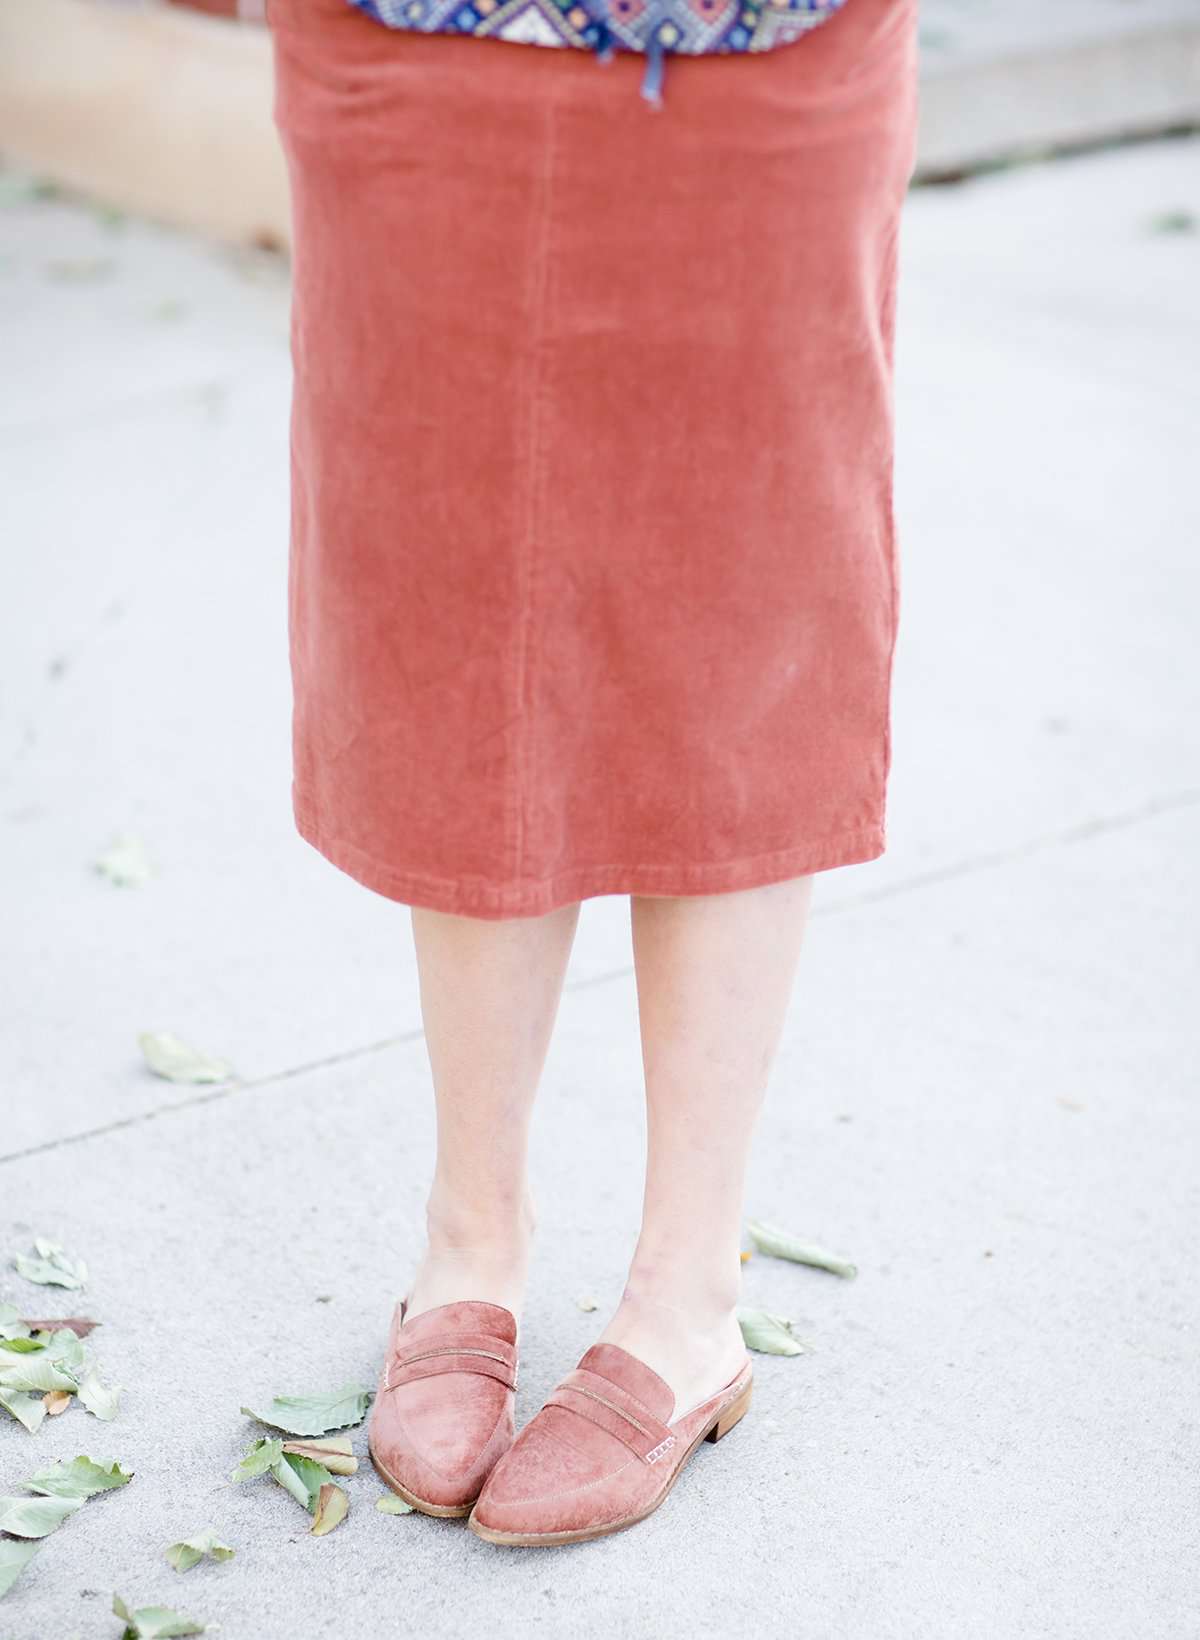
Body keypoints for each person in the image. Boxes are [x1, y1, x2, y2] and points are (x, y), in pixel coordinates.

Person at [266, 0, 919, 1545]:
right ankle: (469, 1241)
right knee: (450, 622)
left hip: (750, 46)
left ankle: (690, 1299)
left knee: (739, 618)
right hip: (416, 38)